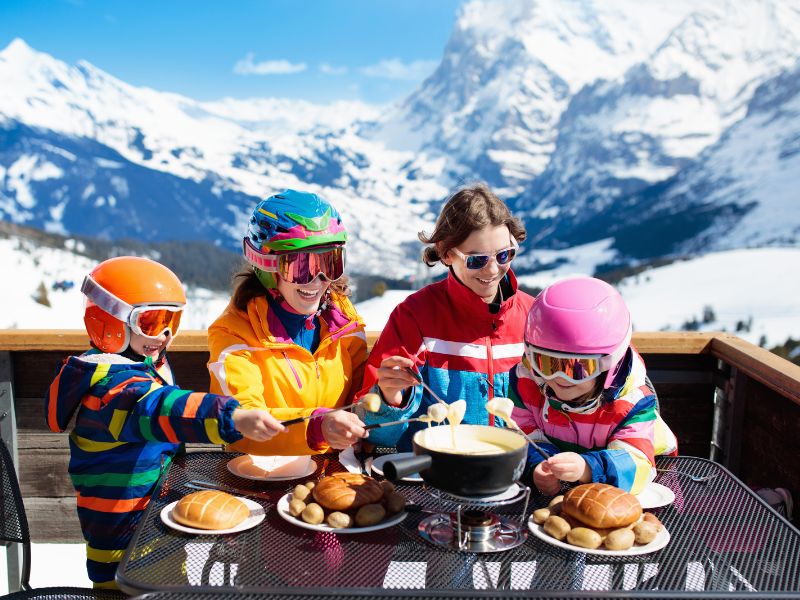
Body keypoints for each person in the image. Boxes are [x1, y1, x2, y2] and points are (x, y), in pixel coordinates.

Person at [45, 256, 285, 588]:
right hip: (126, 551)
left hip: (153, 530)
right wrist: (232, 415)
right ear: (110, 321)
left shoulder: (138, 368)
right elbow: (161, 408)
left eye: (173, 319)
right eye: (152, 321)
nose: (166, 334)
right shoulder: (112, 389)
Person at [358, 183, 534, 450]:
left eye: (503, 255)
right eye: (477, 259)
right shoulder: (416, 316)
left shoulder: (534, 318)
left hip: (514, 472)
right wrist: (390, 398)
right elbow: (378, 434)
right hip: (436, 473)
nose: (493, 269)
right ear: (446, 253)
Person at [207, 189, 368, 455]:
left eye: (330, 262)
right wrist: (316, 427)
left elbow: (361, 391)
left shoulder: (341, 319)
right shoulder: (235, 332)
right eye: (301, 266)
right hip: (261, 477)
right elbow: (242, 420)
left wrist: (388, 393)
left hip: (335, 470)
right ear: (267, 267)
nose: (317, 279)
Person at [508, 276, 678, 495]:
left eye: (577, 368)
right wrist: (540, 463)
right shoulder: (527, 383)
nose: (561, 378)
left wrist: (588, 468)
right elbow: (522, 432)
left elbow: (637, 462)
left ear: (610, 364)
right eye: (547, 363)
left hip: (644, 489)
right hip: (566, 493)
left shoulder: (632, 403)